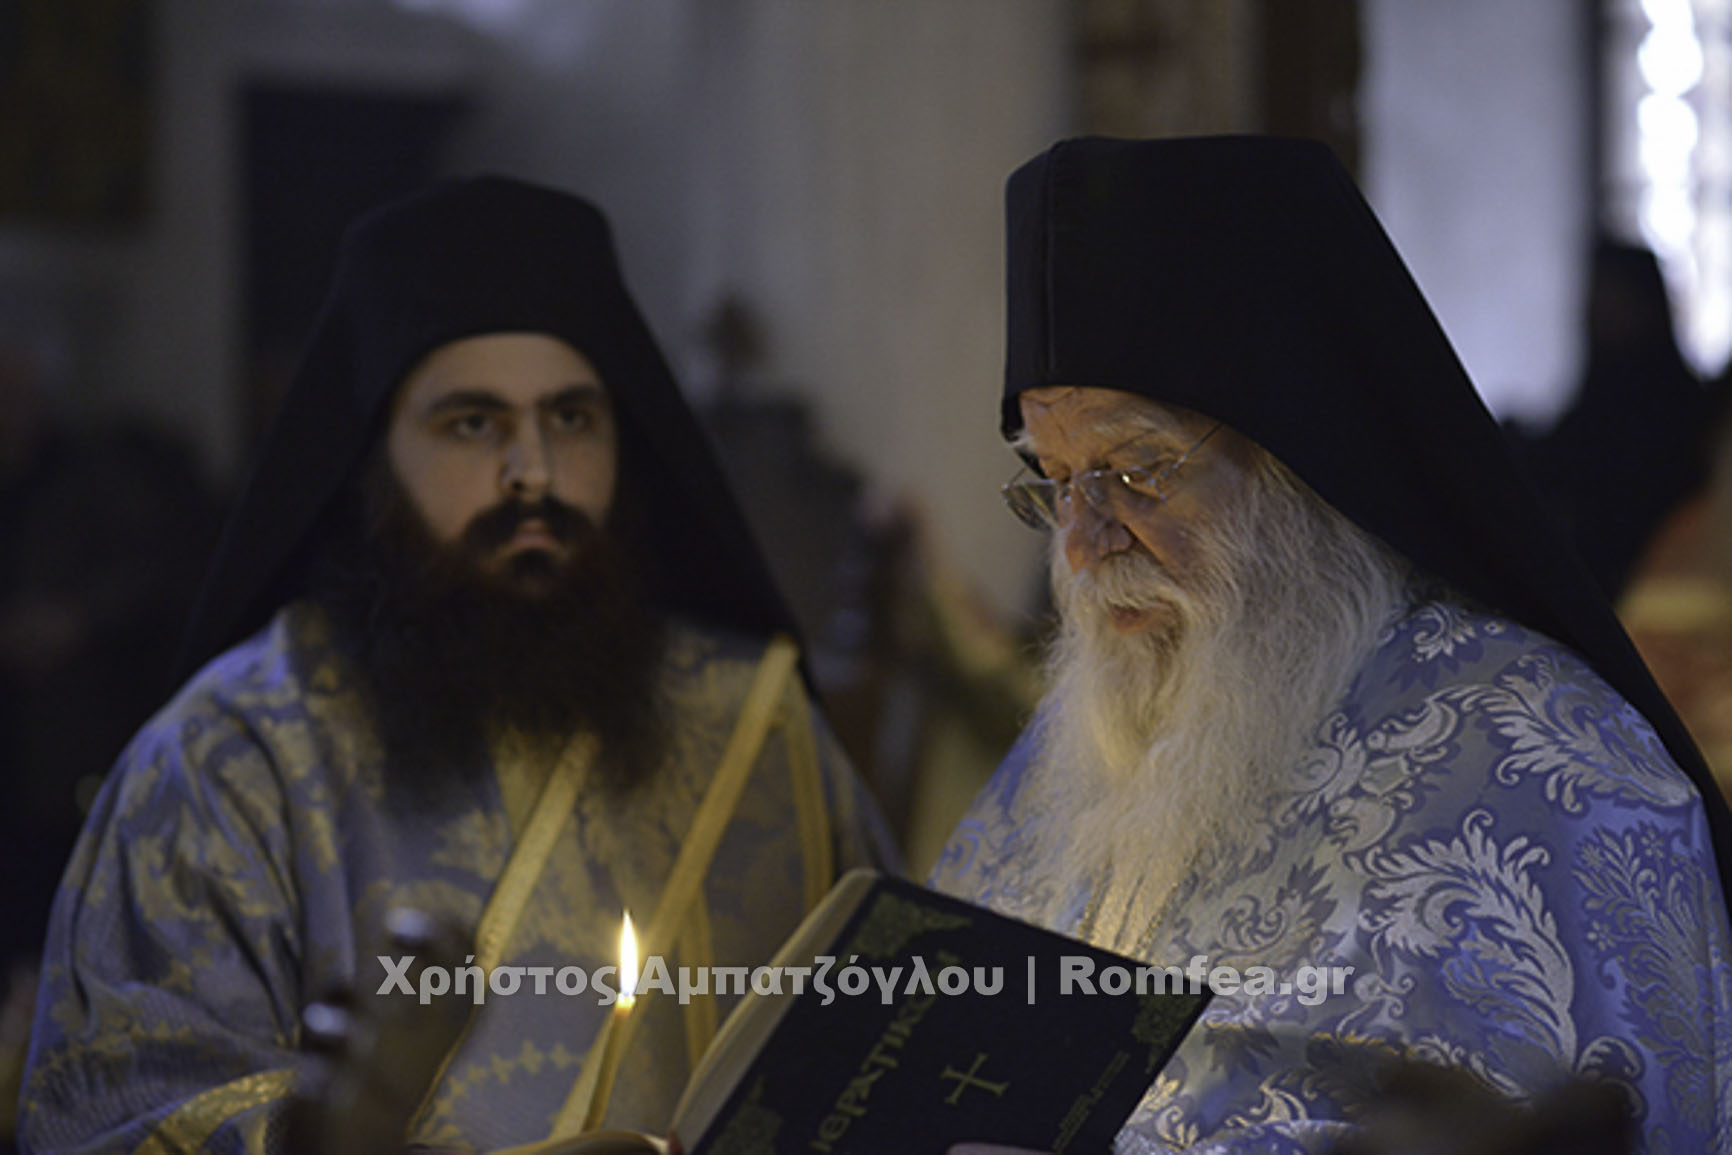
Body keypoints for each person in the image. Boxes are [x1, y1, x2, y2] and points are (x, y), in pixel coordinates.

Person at [17, 176, 892, 1154]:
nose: (534, 472)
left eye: (572, 419)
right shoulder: (225, 758)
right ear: (372, 458)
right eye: (473, 423)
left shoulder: (756, 721)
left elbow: (895, 1054)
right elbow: (128, 1114)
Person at [929, 136, 1732, 1152]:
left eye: (1134, 470)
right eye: (1054, 479)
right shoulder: (1073, 746)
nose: (1083, 545)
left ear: (1298, 457)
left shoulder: (1552, 764)